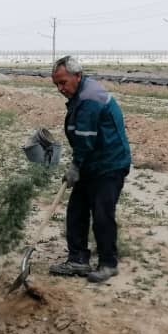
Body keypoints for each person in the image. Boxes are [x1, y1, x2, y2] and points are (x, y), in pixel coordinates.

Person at [49, 55, 132, 284]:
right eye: (56, 84)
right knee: (76, 210)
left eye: (63, 82)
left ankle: (108, 264)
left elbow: (85, 140)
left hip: (110, 164)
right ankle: (78, 259)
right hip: (92, 162)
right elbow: (83, 139)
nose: (60, 88)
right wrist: (78, 165)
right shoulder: (80, 94)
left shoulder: (89, 99)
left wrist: (75, 166)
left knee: (103, 215)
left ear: (78, 76)